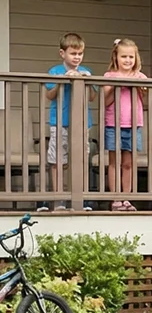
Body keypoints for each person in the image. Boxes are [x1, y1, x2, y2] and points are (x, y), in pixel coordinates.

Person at [40, 32, 94, 211]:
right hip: (60, 121)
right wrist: (63, 80)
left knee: (80, 160)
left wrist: (86, 81)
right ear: (63, 53)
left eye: (80, 54)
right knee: (58, 161)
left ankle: (81, 200)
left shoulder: (86, 70)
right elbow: (49, 95)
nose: (77, 57)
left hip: (82, 122)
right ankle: (59, 199)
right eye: (73, 53)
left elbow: (93, 97)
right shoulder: (55, 71)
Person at [102, 38, 148, 211]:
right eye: (124, 57)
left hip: (133, 123)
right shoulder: (109, 76)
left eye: (131, 57)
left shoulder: (140, 76)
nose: (128, 60)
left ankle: (127, 198)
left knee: (128, 163)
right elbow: (106, 101)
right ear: (116, 57)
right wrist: (117, 86)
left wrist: (137, 85)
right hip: (114, 123)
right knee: (114, 162)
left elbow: (145, 94)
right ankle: (115, 198)